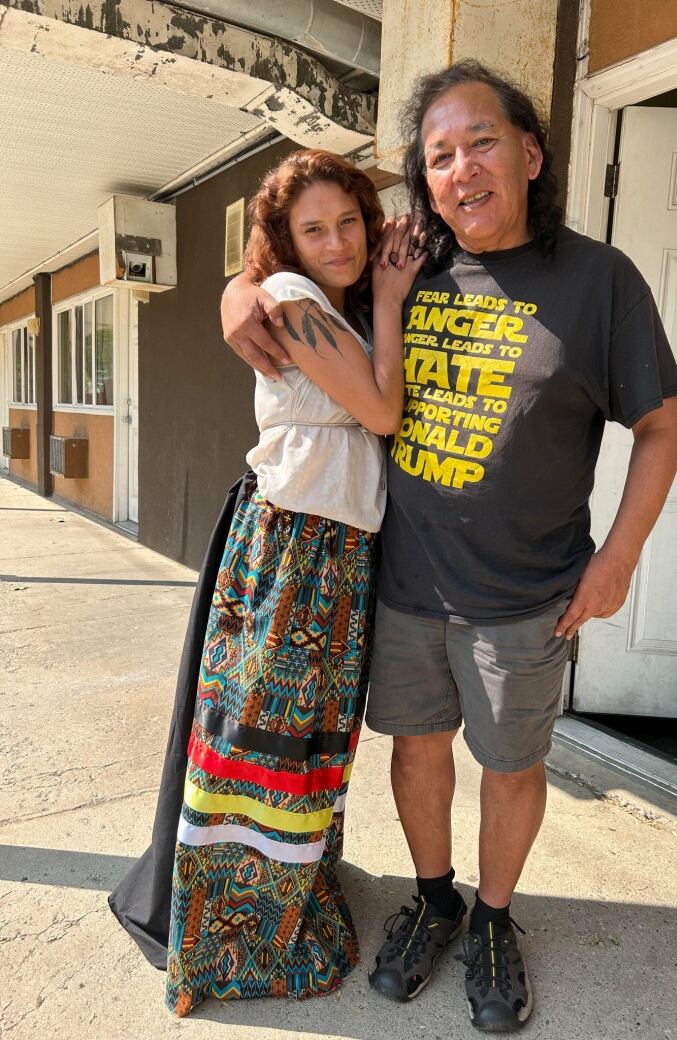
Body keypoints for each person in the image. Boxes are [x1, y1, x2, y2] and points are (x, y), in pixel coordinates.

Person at [221, 61, 677, 1032]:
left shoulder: (601, 281)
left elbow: (659, 425)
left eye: (481, 142)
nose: (462, 167)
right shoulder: (405, 259)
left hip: (526, 596)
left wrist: (621, 558)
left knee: (512, 765)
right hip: (404, 582)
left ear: (530, 152)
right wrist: (240, 290)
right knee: (416, 752)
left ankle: (495, 918)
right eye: (438, 154)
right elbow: (304, 260)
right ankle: (435, 898)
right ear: (421, 179)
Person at [110, 149, 425, 1017]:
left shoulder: (329, 301)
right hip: (296, 551)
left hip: (336, 549)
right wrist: (391, 301)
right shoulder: (291, 300)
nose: (337, 241)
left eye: (348, 222)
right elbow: (384, 412)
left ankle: (289, 888)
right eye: (312, 229)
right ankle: (232, 938)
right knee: (262, 741)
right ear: (283, 241)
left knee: (309, 743)